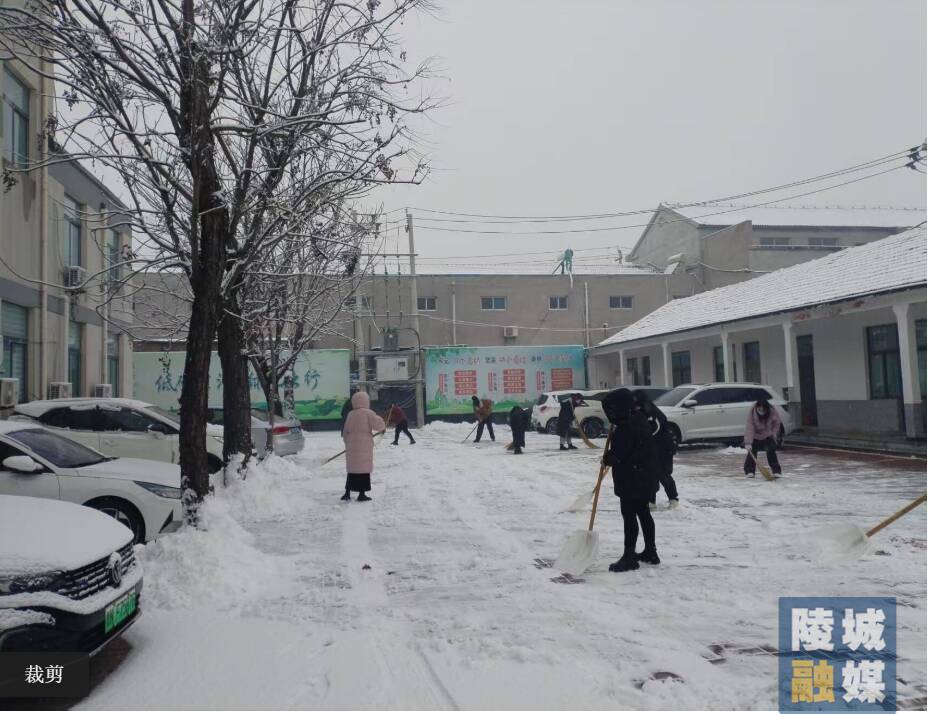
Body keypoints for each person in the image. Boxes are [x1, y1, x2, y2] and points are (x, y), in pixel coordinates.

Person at [602, 388, 661, 572]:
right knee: (643, 513)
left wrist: (607, 458)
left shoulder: (626, 427)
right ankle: (650, 551)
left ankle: (629, 557)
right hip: (645, 476)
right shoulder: (639, 418)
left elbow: (618, 455)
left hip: (633, 480)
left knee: (629, 516)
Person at [632, 390, 679, 509]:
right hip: (650, 448)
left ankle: (673, 499)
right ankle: (650, 501)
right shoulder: (640, 411)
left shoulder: (651, 412)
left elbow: (653, 429)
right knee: (649, 475)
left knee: (663, 474)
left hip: (663, 448)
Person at [341, 391, 386, 502]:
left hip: (351, 447)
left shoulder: (350, 414)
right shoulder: (368, 413)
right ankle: (361, 494)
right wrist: (382, 426)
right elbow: (379, 424)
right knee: (363, 471)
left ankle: (347, 493)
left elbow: (345, 431)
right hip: (364, 447)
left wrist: (348, 443)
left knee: (352, 471)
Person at [743, 397, 782, 477]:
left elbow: (777, 423)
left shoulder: (772, 412)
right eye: (759, 409)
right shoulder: (752, 413)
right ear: (757, 407)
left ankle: (776, 471)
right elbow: (750, 428)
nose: (761, 411)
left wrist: (773, 433)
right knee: (752, 452)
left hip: (767, 434)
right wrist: (748, 443)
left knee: (771, 451)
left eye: (763, 410)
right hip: (756, 435)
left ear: (766, 409)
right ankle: (750, 471)